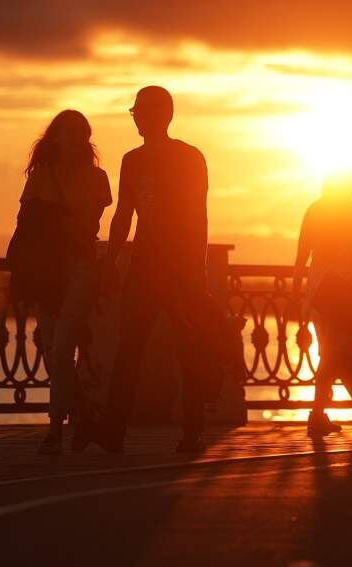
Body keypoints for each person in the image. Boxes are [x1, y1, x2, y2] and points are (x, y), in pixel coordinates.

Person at [84, 86, 213, 454]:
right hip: (144, 266)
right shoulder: (132, 160)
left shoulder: (190, 158)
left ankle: (192, 432)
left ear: (161, 114)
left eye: (139, 110)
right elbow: (123, 214)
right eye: (134, 111)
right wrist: (111, 262)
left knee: (188, 349)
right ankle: (114, 430)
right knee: (130, 349)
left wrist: (196, 272)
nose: (136, 117)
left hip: (180, 268)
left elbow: (197, 217)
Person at [15, 110, 112, 454]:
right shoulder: (41, 176)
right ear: (55, 138)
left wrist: (56, 219)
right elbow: (26, 222)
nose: (73, 139)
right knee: (51, 346)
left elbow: (87, 225)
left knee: (60, 347)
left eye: (79, 133)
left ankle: (55, 430)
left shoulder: (98, 178)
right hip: (48, 270)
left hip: (81, 268)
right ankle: (83, 412)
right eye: (66, 133)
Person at [291, 171, 352, 436]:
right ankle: (321, 413)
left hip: (319, 292)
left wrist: (296, 295)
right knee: (337, 352)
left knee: (333, 351)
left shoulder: (315, 210)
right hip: (347, 290)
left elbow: (302, 254)